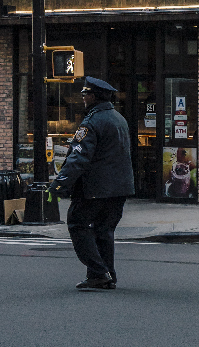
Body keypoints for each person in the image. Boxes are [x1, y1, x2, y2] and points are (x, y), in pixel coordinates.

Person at [53, 75, 135, 291]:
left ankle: (99, 272)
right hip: (120, 188)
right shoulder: (119, 119)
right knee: (104, 230)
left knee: (77, 223)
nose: (82, 98)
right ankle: (106, 275)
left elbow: (78, 158)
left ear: (93, 96)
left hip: (96, 188)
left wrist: (60, 184)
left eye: (85, 94)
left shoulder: (91, 122)